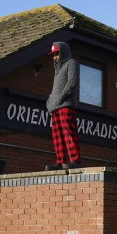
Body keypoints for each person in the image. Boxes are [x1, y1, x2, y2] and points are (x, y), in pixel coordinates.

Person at [45, 41, 81, 170]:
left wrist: (60, 98)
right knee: (57, 136)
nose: (55, 57)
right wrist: (49, 101)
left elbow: (71, 83)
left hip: (65, 104)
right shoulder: (56, 70)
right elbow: (55, 89)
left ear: (63, 52)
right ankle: (60, 162)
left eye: (57, 53)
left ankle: (75, 160)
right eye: (53, 54)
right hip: (55, 107)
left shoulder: (71, 63)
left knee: (68, 132)